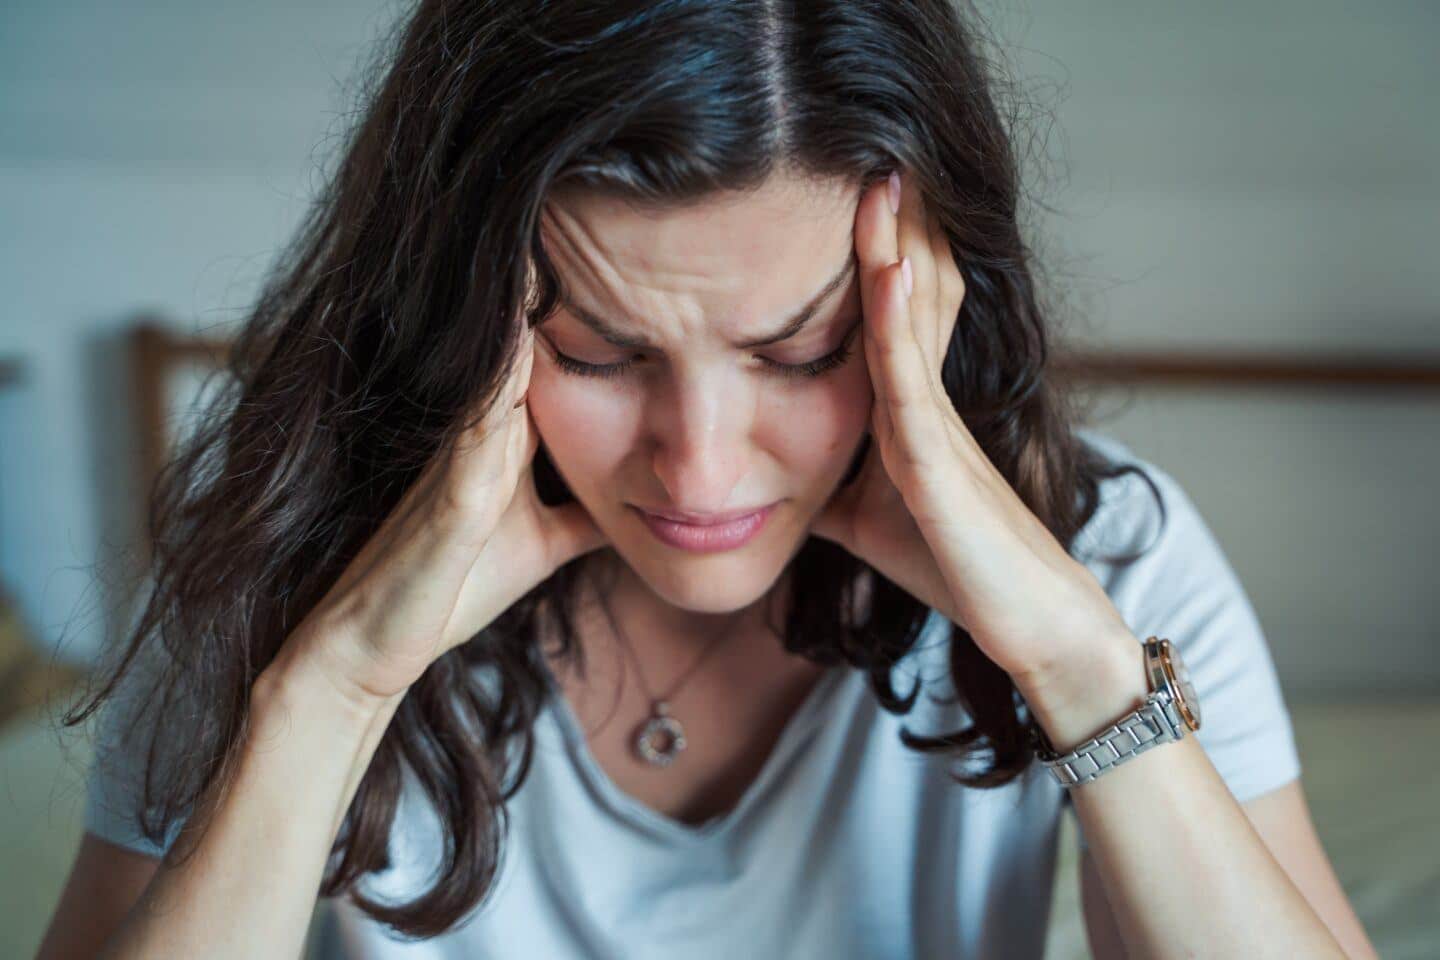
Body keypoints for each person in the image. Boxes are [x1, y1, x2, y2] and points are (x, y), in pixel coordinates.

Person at [39, 2, 1374, 958]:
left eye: (800, 352)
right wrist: (329, 688)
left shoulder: (1108, 561)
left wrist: (1081, 675)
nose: (700, 460)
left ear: (928, 316)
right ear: (463, 327)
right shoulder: (296, 559)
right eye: (600, 352)